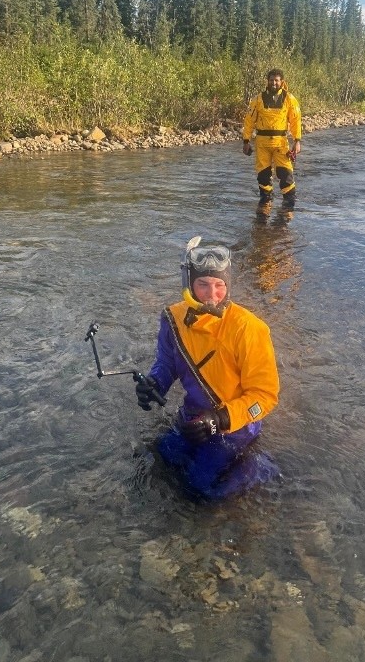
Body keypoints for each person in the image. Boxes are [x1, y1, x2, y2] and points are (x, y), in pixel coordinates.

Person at [135, 238, 280, 500]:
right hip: (192, 418)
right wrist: (155, 382)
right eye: (202, 285)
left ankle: (258, 467)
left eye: (219, 286)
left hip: (235, 427)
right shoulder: (173, 318)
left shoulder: (250, 328)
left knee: (200, 489)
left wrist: (219, 420)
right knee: (157, 458)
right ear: (188, 283)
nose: (212, 295)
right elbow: (167, 362)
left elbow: (264, 396)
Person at [242, 68, 302, 208]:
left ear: (282, 82)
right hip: (262, 143)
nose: (273, 83)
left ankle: (288, 209)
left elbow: (295, 120)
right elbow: (249, 120)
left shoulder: (289, 99)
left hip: (281, 142)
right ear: (267, 82)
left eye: (276, 80)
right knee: (263, 175)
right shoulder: (257, 99)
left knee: (285, 173)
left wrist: (297, 141)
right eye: (271, 80)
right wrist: (246, 140)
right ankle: (265, 205)